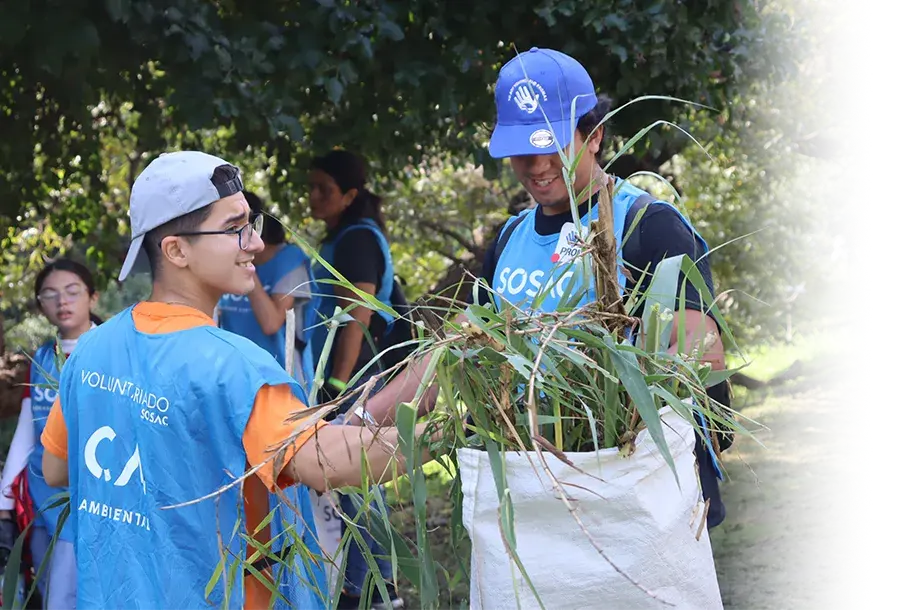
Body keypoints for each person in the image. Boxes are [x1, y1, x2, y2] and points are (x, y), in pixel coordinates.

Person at [351, 47, 732, 529]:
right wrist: (359, 420)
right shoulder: (510, 239)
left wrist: (602, 413)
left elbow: (703, 351)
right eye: (520, 152)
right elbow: (454, 350)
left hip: (634, 496)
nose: (535, 166)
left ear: (594, 136)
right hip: (533, 498)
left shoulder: (648, 225)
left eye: (550, 145)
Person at [37, 150, 437, 609]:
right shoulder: (235, 367)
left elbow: (56, 468)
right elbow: (328, 461)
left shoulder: (92, 349)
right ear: (176, 250)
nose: (253, 244)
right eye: (233, 229)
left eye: (251, 223)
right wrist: (451, 435)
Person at [306, 150, 404, 610]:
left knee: (355, 479)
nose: (313, 197)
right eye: (312, 186)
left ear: (348, 195)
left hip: (356, 373)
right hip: (348, 372)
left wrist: (337, 384)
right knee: (350, 480)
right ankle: (362, 583)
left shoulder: (357, 240)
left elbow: (356, 314)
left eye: (324, 189)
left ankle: (378, 589)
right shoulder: (345, 236)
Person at [0, 258, 103, 609]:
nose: (63, 302)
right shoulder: (42, 357)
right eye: (51, 294)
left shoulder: (109, 353)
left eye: (73, 292)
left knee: (65, 596)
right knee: (45, 592)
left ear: (93, 297)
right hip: (38, 497)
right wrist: (4, 503)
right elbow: (28, 433)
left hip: (84, 498)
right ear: (40, 304)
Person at [216, 190, 318, 395]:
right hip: (236, 378)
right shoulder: (216, 262)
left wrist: (243, 259)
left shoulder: (290, 260)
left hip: (281, 379)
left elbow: (271, 323)